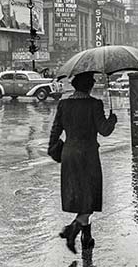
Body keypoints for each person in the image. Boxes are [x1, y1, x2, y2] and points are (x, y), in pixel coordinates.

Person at [48, 72, 117, 254]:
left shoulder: (64, 104)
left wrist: (56, 150)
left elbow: (55, 131)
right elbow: (105, 130)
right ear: (89, 86)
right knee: (90, 199)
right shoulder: (95, 104)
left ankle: (86, 238)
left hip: (69, 155)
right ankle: (72, 231)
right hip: (88, 157)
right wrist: (112, 120)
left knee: (83, 200)